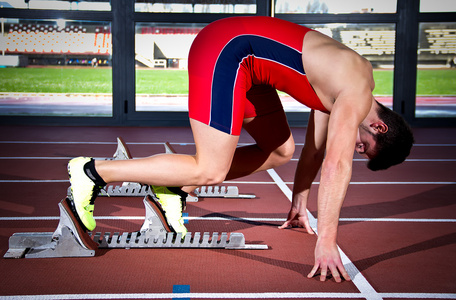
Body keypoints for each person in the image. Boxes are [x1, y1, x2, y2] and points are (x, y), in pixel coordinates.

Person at [67, 16, 414, 283]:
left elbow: (315, 151)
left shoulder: (348, 90)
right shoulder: (355, 89)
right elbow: (338, 165)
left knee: (280, 151)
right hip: (229, 50)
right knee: (211, 169)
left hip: (250, 69)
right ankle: (93, 172)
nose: (354, 147)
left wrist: (300, 201)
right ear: (379, 127)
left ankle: (174, 187)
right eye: (362, 146)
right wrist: (326, 240)